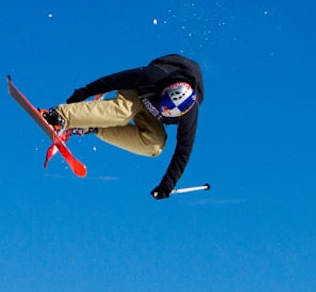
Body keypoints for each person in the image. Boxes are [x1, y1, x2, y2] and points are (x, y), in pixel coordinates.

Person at [40, 54, 203, 199]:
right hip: (138, 92)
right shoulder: (154, 76)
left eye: (168, 112)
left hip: (148, 111)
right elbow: (113, 81)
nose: (164, 110)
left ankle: (91, 126)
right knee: (122, 112)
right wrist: (84, 92)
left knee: (155, 144)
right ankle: (58, 115)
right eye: (163, 106)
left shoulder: (189, 115)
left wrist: (167, 185)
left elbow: (183, 151)